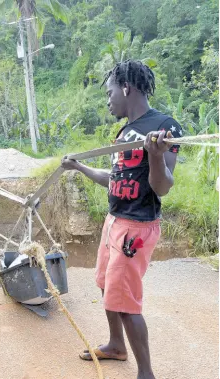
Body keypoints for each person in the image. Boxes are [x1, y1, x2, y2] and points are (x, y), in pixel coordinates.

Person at [61, 60, 182, 379]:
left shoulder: (165, 127)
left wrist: (156, 155)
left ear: (126, 87)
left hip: (137, 226)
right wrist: (80, 168)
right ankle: (116, 345)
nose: (108, 99)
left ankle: (146, 373)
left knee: (125, 300)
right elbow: (114, 178)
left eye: (109, 91)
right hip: (114, 220)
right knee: (105, 284)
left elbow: (162, 187)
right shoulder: (126, 132)